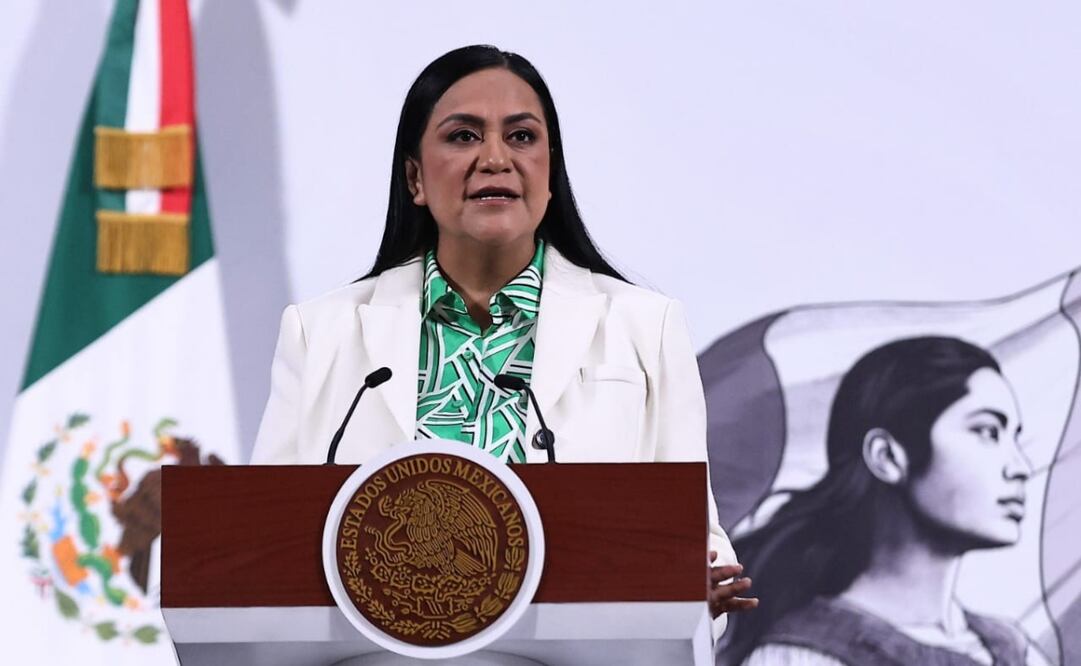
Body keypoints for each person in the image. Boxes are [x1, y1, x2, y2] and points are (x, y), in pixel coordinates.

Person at [249, 45, 756, 624]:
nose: (495, 158)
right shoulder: (321, 333)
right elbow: (262, 539)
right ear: (415, 177)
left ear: (549, 172)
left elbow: (696, 540)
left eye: (521, 137)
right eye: (464, 136)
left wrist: (694, 590)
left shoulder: (644, 326)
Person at [717, 336, 1047, 666]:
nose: (1021, 467)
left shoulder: (1013, 650)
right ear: (886, 456)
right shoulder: (802, 656)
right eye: (988, 432)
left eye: (1014, 438)